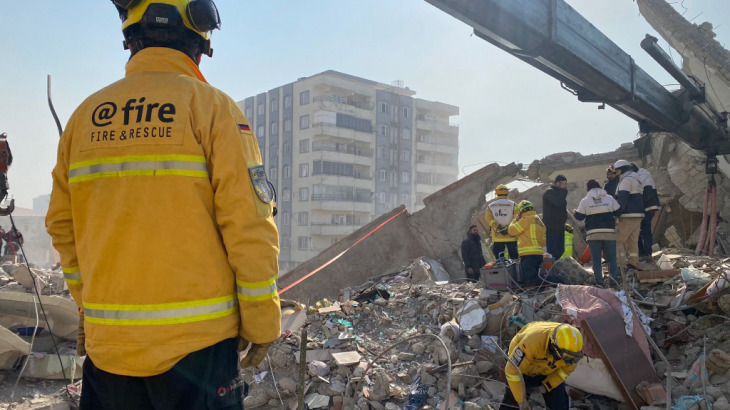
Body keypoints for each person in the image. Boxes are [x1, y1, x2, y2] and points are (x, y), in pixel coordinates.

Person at [46, 2, 280, 409]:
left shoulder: (84, 117)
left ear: (131, 40)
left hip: (109, 351)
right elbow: (248, 225)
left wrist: (90, 311)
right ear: (199, 43)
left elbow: (62, 229)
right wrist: (262, 322)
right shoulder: (212, 108)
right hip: (198, 350)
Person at [501, 322, 584, 410]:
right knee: (512, 403)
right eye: (565, 357)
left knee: (560, 405)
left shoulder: (573, 353)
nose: (567, 362)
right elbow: (512, 371)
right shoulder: (532, 342)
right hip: (522, 370)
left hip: (549, 372)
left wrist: (547, 386)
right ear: (553, 346)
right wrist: (522, 402)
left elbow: (564, 372)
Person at [573, 180, 621, 285]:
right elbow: (618, 211)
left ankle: (599, 281)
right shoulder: (609, 198)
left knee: (596, 259)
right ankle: (613, 282)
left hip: (593, 234)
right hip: (609, 233)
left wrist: (575, 212)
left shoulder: (585, 201)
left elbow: (579, 217)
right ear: (600, 187)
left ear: (588, 189)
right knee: (611, 259)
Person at [613, 160, 645, 271]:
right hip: (638, 214)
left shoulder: (626, 181)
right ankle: (633, 263)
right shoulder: (637, 179)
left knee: (617, 240)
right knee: (632, 240)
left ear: (621, 170)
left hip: (627, 215)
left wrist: (616, 214)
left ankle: (620, 264)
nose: (616, 173)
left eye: (617, 170)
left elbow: (623, 199)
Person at [508, 201, 546, 287]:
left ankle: (556, 282)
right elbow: (544, 241)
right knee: (536, 277)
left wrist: (514, 220)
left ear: (521, 211)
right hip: (539, 254)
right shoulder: (540, 222)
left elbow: (512, 231)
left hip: (528, 254)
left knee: (530, 279)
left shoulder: (526, 219)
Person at [632, 164, 660, 262]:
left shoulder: (638, 178)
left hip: (644, 208)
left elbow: (640, 194)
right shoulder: (646, 175)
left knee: (638, 231)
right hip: (651, 207)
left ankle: (643, 253)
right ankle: (648, 253)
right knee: (646, 230)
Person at [485, 184, 518, 260]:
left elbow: (489, 218)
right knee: (515, 260)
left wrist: (498, 227)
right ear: (507, 193)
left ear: (496, 193)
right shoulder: (513, 205)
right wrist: (508, 228)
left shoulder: (490, 206)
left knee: (500, 261)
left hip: (497, 237)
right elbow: (516, 218)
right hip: (511, 236)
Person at [543, 175, 569, 259]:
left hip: (560, 226)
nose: (563, 185)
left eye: (564, 183)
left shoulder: (561, 193)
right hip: (551, 226)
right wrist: (563, 190)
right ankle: (551, 270)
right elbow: (558, 202)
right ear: (556, 183)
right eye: (560, 183)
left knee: (560, 249)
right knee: (552, 251)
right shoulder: (549, 192)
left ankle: (555, 266)